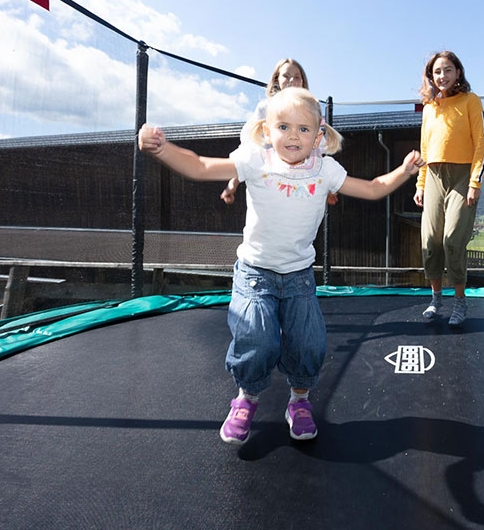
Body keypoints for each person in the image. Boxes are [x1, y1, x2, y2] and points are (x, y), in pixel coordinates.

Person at [138, 87, 425, 445]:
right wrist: (163, 149)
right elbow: (199, 167)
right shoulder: (257, 161)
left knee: (309, 345)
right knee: (257, 340)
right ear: (266, 131)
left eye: (304, 129)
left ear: (319, 136)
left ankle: (299, 401)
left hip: (299, 278)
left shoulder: (325, 169)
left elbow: (370, 189)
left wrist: (403, 170)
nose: (293, 136)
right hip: (255, 274)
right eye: (284, 127)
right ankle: (247, 397)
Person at [413, 51, 484, 327]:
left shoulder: (471, 101)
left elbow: (480, 143)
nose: (442, 76)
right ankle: (435, 298)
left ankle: (459, 302)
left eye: (447, 70)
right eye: (436, 72)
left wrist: (474, 182)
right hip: (432, 175)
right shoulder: (429, 108)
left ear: (458, 72)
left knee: (453, 239)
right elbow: (424, 150)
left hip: (462, 175)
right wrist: (420, 184)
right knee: (430, 241)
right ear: (431, 77)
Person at [221, 58, 310, 205]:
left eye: (297, 76)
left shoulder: (309, 113)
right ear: (277, 79)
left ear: (302, 82)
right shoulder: (266, 108)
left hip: (297, 183)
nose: (292, 80)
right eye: (286, 76)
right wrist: (234, 182)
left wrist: (328, 187)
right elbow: (251, 147)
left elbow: (315, 150)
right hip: (267, 182)